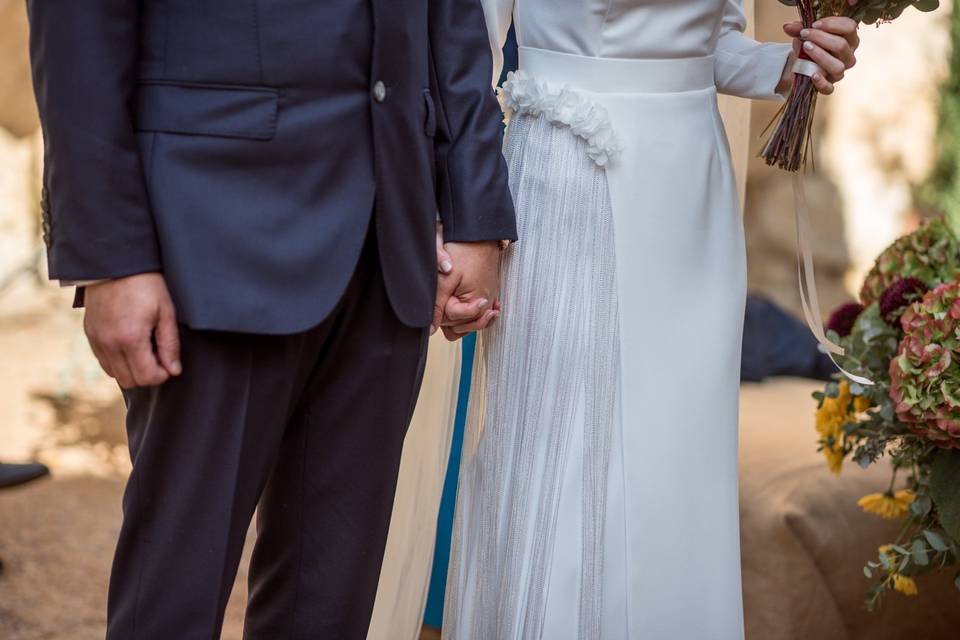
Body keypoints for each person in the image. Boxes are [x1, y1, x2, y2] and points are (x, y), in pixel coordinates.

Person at [25, 0, 515, 637]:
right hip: (207, 234)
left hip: (388, 235)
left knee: (327, 607)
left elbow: (452, 19)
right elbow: (78, 27)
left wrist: (474, 211)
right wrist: (110, 257)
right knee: (172, 601)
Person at [443, 1, 861, 638]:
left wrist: (789, 64)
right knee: (570, 471)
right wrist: (461, 218)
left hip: (691, 192)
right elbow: (470, 42)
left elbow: (713, 40)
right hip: (571, 172)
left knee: (677, 466)